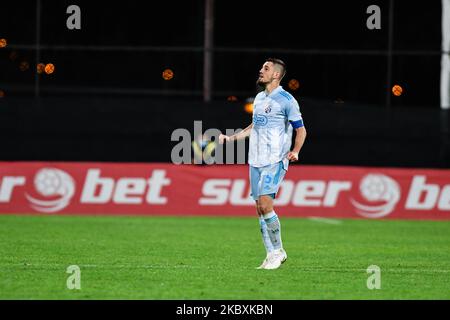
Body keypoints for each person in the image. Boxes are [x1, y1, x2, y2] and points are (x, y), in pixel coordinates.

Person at [219, 58, 307, 270]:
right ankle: (270, 254)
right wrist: (231, 139)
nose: (261, 71)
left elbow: (301, 129)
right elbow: (253, 127)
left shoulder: (287, 100)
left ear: (276, 75)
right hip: (255, 160)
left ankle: (278, 251)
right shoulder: (259, 98)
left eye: (265, 68)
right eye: (261, 67)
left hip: (274, 160)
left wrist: (295, 151)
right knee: (259, 208)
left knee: (266, 205)